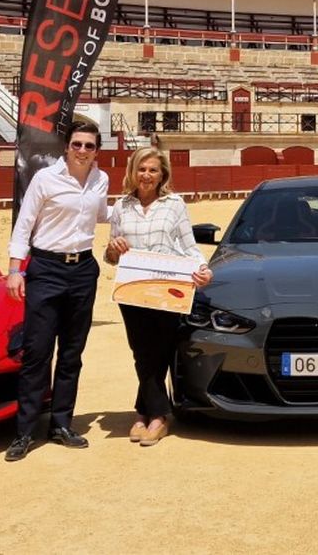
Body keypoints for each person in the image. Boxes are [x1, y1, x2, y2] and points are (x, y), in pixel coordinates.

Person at [3, 120, 109, 462]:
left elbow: (103, 214)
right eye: (77, 144)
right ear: (67, 146)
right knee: (37, 351)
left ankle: (61, 423)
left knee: (72, 352)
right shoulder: (45, 178)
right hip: (46, 268)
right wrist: (15, 270)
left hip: (83, 269)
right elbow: (25, 224)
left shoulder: (101, 179)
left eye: (89, 146)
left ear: (97, 150)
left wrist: (142, 209)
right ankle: (25, 430)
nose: (82, 151)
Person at [103, 146, 212, 447]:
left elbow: (188, 245)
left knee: (160, 350)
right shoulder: (121, 206)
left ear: (162, 174)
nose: (147, 175)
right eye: (141, 169)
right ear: (132, 172)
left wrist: (203, 269)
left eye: (153, 170)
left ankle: (154, 416)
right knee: (141, 351)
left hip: (167, 287)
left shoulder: (174, 204)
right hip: (133, 288)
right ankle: (150, 412)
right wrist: (113, 249)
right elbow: (110, 255)